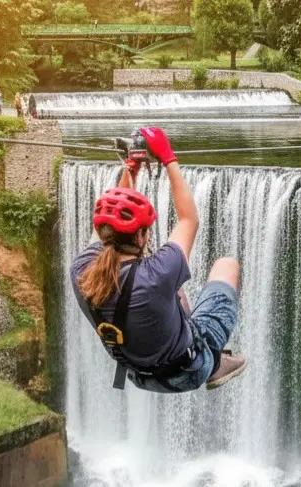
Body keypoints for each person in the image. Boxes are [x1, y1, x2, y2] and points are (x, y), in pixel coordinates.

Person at [71, 127, 246, 394]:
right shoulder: (159, 273)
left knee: (174, 290)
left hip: (137, 373)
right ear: (141, 237)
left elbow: (115, 218)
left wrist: (131, 171)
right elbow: (189, 219)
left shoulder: (81, 269)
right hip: (188, 370)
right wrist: (168, 158)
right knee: (227, 266)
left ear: (103, 231)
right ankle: (216, 361)